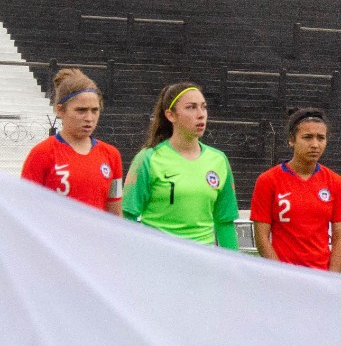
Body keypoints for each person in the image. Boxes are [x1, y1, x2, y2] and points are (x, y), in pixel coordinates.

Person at [123, 82, 239, 248]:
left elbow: (224, 221)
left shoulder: (219, 160)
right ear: (171, 115)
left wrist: (234, 266)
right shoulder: (148, 159)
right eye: (191, 107)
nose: (201, 114)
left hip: (202, 263)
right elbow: (128, 217)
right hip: (158, 261)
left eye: (203, 107)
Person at [250, 108, 341, 271]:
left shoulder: (336, 183)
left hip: (320, 278)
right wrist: (282, 274)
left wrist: (332, 279)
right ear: (291, 140)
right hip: (283, 278)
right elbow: (261, 237)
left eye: (321, 138)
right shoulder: (268, 180)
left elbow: (340, 239)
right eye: (307, 137)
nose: (315, 144)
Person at [21, 68, 122, 215]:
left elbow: (115, 212)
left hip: (95, 238)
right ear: (60, 110)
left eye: (95, 110)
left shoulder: (111, 155)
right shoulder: (42, 153)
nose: (89, 118)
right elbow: (25, 209)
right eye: (81, 110)